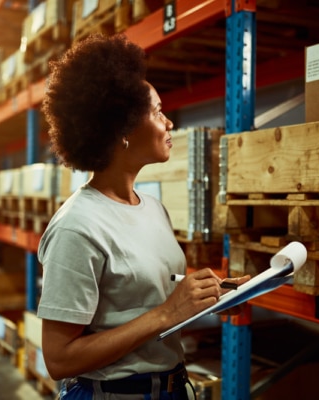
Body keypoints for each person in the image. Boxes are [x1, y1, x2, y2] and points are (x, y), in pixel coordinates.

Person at [37, 33, 250, 400]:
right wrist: (168, 312)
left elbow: (151, 300)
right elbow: (58, 359)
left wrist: (212, 295)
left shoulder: (153, 208)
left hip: (170, 389)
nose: (169, 124)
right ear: (122, 131)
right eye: (157, 112)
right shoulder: (77, 226)